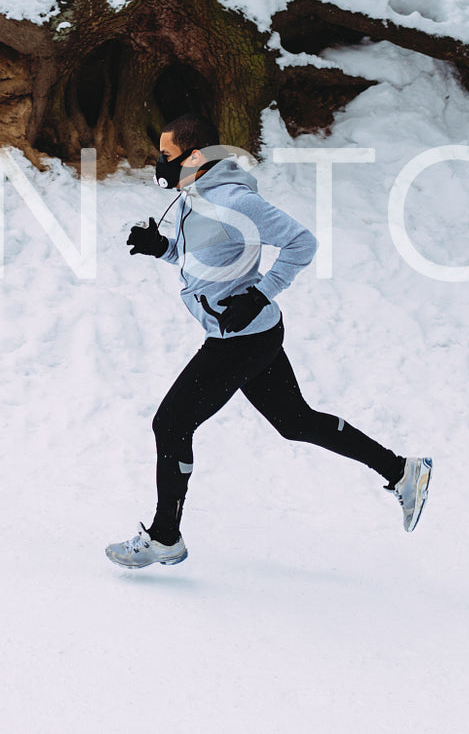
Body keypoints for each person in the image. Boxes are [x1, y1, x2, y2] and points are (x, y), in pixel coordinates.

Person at [106, 113, 432, 569]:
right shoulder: (190, 197)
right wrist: (159, 247)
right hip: (250, 333)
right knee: (295, 421)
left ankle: (165, 536)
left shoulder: (237, 200)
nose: (159, 165)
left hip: (239, 338)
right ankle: (402, 471)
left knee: (171, 424)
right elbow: (199, 254)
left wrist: (259, 294)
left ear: (194, 156)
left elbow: (303, 243)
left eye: (166, 156)